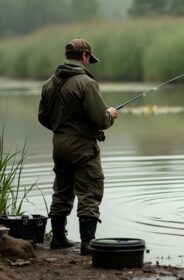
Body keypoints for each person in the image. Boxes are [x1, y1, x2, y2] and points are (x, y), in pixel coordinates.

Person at [38, 38, 118, 255]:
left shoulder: (48, 84)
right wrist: (110, 115)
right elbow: (99, 120)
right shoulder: (87, 83)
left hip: (59, 145)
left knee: (61, 191)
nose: (89, 63)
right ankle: (87, 243)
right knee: (90, 191)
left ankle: (58, 238)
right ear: (84, 56)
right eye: (89, 59)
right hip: (83, 147)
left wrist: (63, 129)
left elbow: (43, 117)